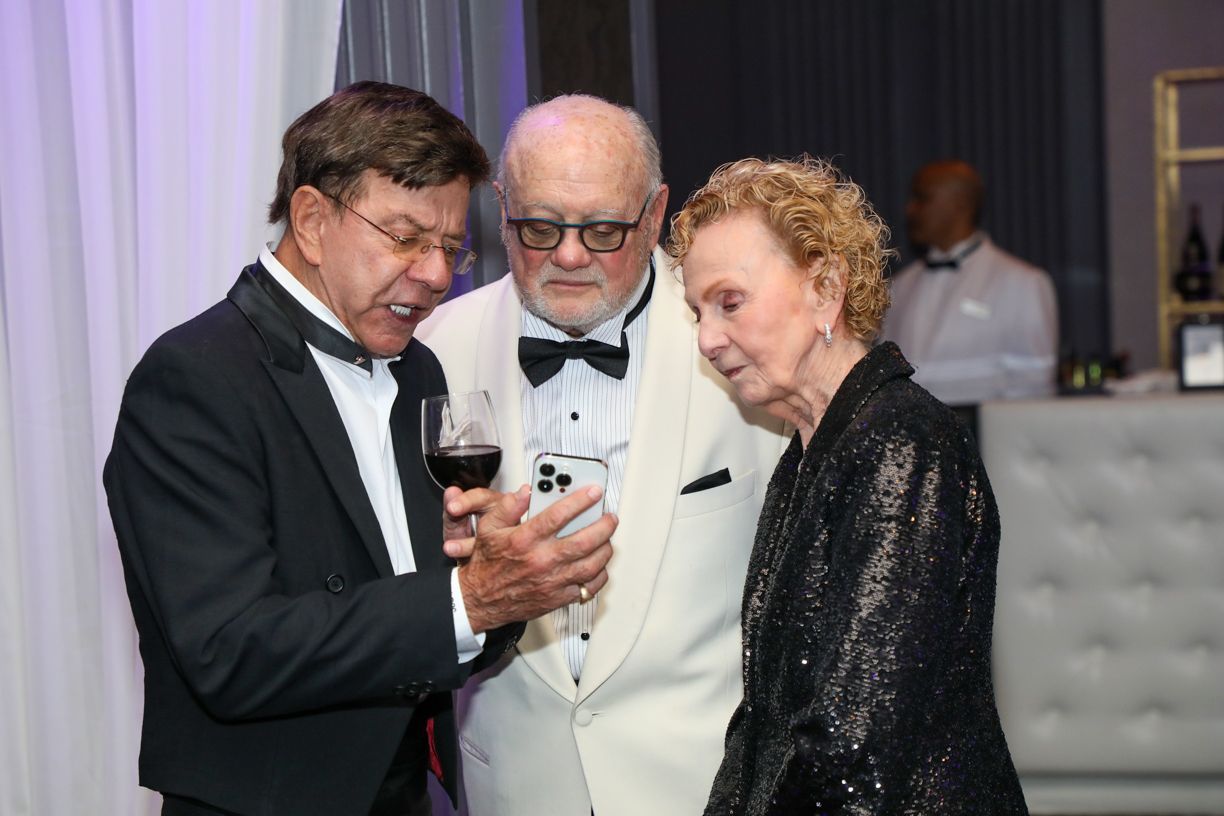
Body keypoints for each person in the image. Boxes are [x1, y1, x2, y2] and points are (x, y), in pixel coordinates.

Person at [103, 82, 617, 816]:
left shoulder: (418, 369)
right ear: (312, 221)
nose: (436, 276)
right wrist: (466, 600)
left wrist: (498, 582)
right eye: (406, 238)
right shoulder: (194, 377)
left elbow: (427, 615)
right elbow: (229, 650)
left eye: (449, 248)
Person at [416, 95, 788, 815]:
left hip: (705, 786)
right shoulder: (434, 350)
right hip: (514, 784)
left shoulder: (745, 342)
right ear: (502, 209)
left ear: (655, 214)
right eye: (539, 226)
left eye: (604, 230)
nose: (569, 255)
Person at [669, 156, 1028, 815]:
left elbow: (853, 746)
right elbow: (765, 721)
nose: (708, 340)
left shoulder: (901, 439)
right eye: (698, 313)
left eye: (730, 302)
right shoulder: (808, 450)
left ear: (825, 289)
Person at [881, 159, 1058, 406]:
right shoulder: (898, 286)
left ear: (960, 204)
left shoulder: (1023, 283)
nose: (910, 209)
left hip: (987, 430)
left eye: (922, 198)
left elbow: (1034, 387)